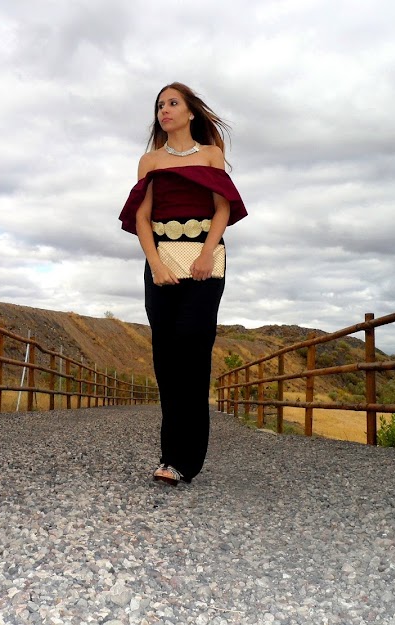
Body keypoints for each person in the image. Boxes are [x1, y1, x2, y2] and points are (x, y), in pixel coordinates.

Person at [118, 82, 248, 486]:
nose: (164, 110)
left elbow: (222, 208)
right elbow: (142, 217)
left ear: (190, 111)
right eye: (160, 105)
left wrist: (207, 254)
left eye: (173, 103)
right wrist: (155, 264)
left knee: (193, 350)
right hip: (161, 265)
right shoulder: (149, 161)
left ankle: (186, 460)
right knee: (166, 358)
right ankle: (170, 457)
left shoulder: (210, 155)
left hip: (205, 263)